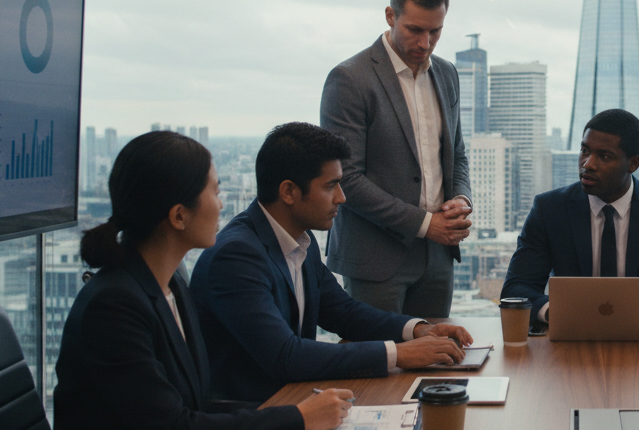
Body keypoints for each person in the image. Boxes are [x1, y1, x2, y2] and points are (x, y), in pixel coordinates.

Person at [31, 132, 352, 430]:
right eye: (215, 192)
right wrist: (297, 418)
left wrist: (297, 417)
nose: (222, 204)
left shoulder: (171, 284)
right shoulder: (114, 306)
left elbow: (196, 407)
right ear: (179, 215)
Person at [189, 122, 473, 404]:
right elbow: (285, 356)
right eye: (330, 186)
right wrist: (399, 354)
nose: (342, 197)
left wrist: (419, 330)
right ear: (288, 192)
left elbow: (343, 312)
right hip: (254, 418)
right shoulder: (237, 256)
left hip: (292, 401)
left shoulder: (299, 239)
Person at [320, 0, 473, 317]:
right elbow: (347, 178)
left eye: (435, 31)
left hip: (438, 257)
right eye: (415, 30)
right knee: (380, 365)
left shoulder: (447, 74)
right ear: (390, 16)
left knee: (437, 360)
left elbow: (457, 154)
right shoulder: (349, 79)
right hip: (375, 258)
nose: (425, 43)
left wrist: (461, 199)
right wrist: (425, 223)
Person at [501, 109, 639, 326]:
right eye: (585, 151)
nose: (588, 164)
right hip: (570, 341)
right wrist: (557, 312)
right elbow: (516, 289)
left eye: (604, 156)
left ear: (633, 164)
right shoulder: (550, 209)